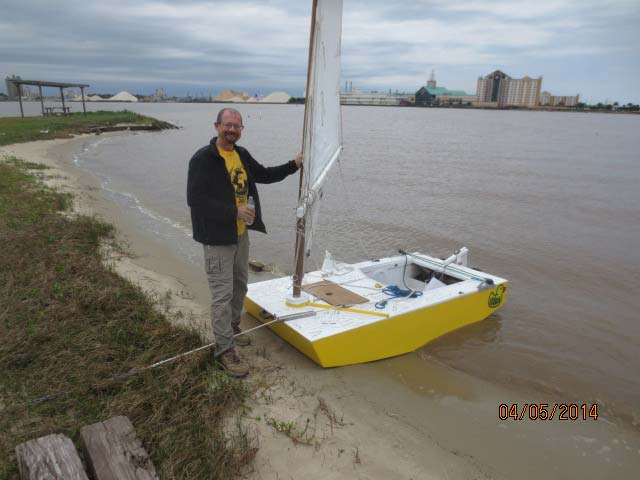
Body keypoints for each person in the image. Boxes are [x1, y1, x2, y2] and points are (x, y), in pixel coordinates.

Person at [187, 108, 302, 377]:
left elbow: (265, 174)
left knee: (240, 285)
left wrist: (294, 164)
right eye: (227, 125)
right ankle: (224, 349)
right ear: (217, 126)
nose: (232, 130)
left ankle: (232, 327)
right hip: (216, 238)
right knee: (222, 294)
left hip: (240, 234)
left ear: (241, 130)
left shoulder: (241, 154)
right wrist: (234, 211)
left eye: (236, 126)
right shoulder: (203, 159)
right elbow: (196, 200)